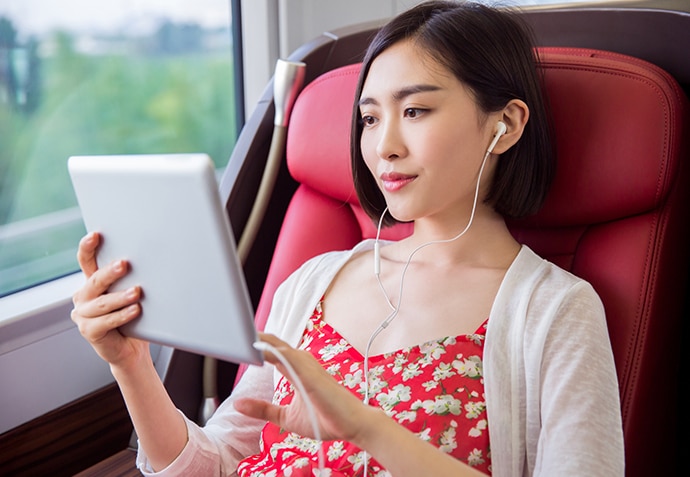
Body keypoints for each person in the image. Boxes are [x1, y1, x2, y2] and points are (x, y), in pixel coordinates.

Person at [70, 1, 625, 476]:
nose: (384, 146)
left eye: (415, 110)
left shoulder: (556, 313)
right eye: (368, 118)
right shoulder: (313, 281)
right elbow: (218, 462)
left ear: (505, 124)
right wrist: (131, 365)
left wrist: (365, 428)